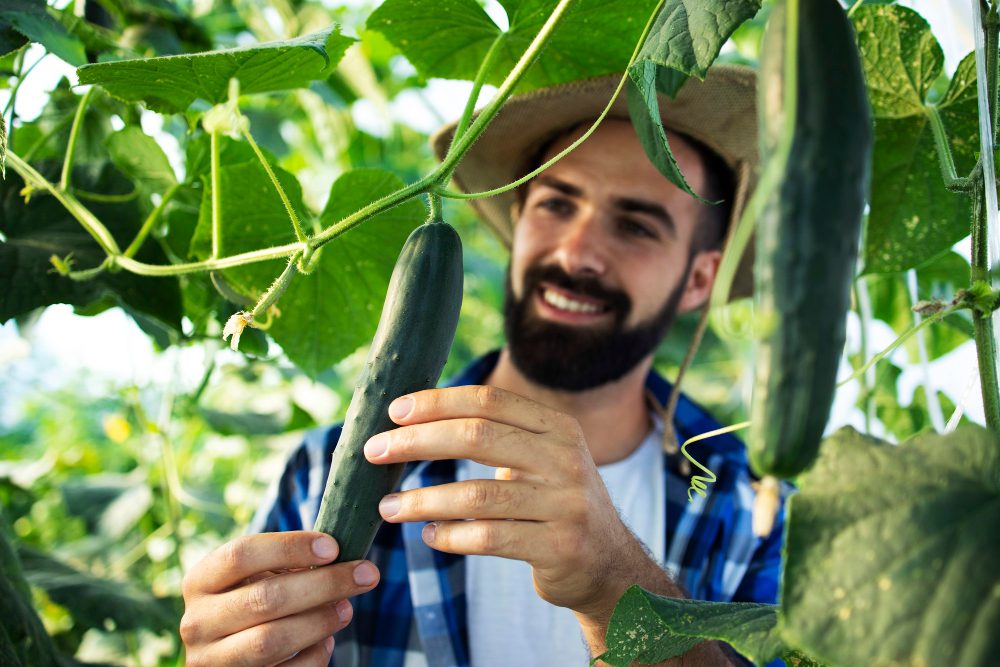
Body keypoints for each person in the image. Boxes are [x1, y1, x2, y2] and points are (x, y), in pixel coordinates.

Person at [179, 64, 787, 667]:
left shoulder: (755, 513)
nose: (577, 253)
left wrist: (616, 587)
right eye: (556, 203)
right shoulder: (320, 472)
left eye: (634, 225)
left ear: (699, 278)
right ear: (518, 221)